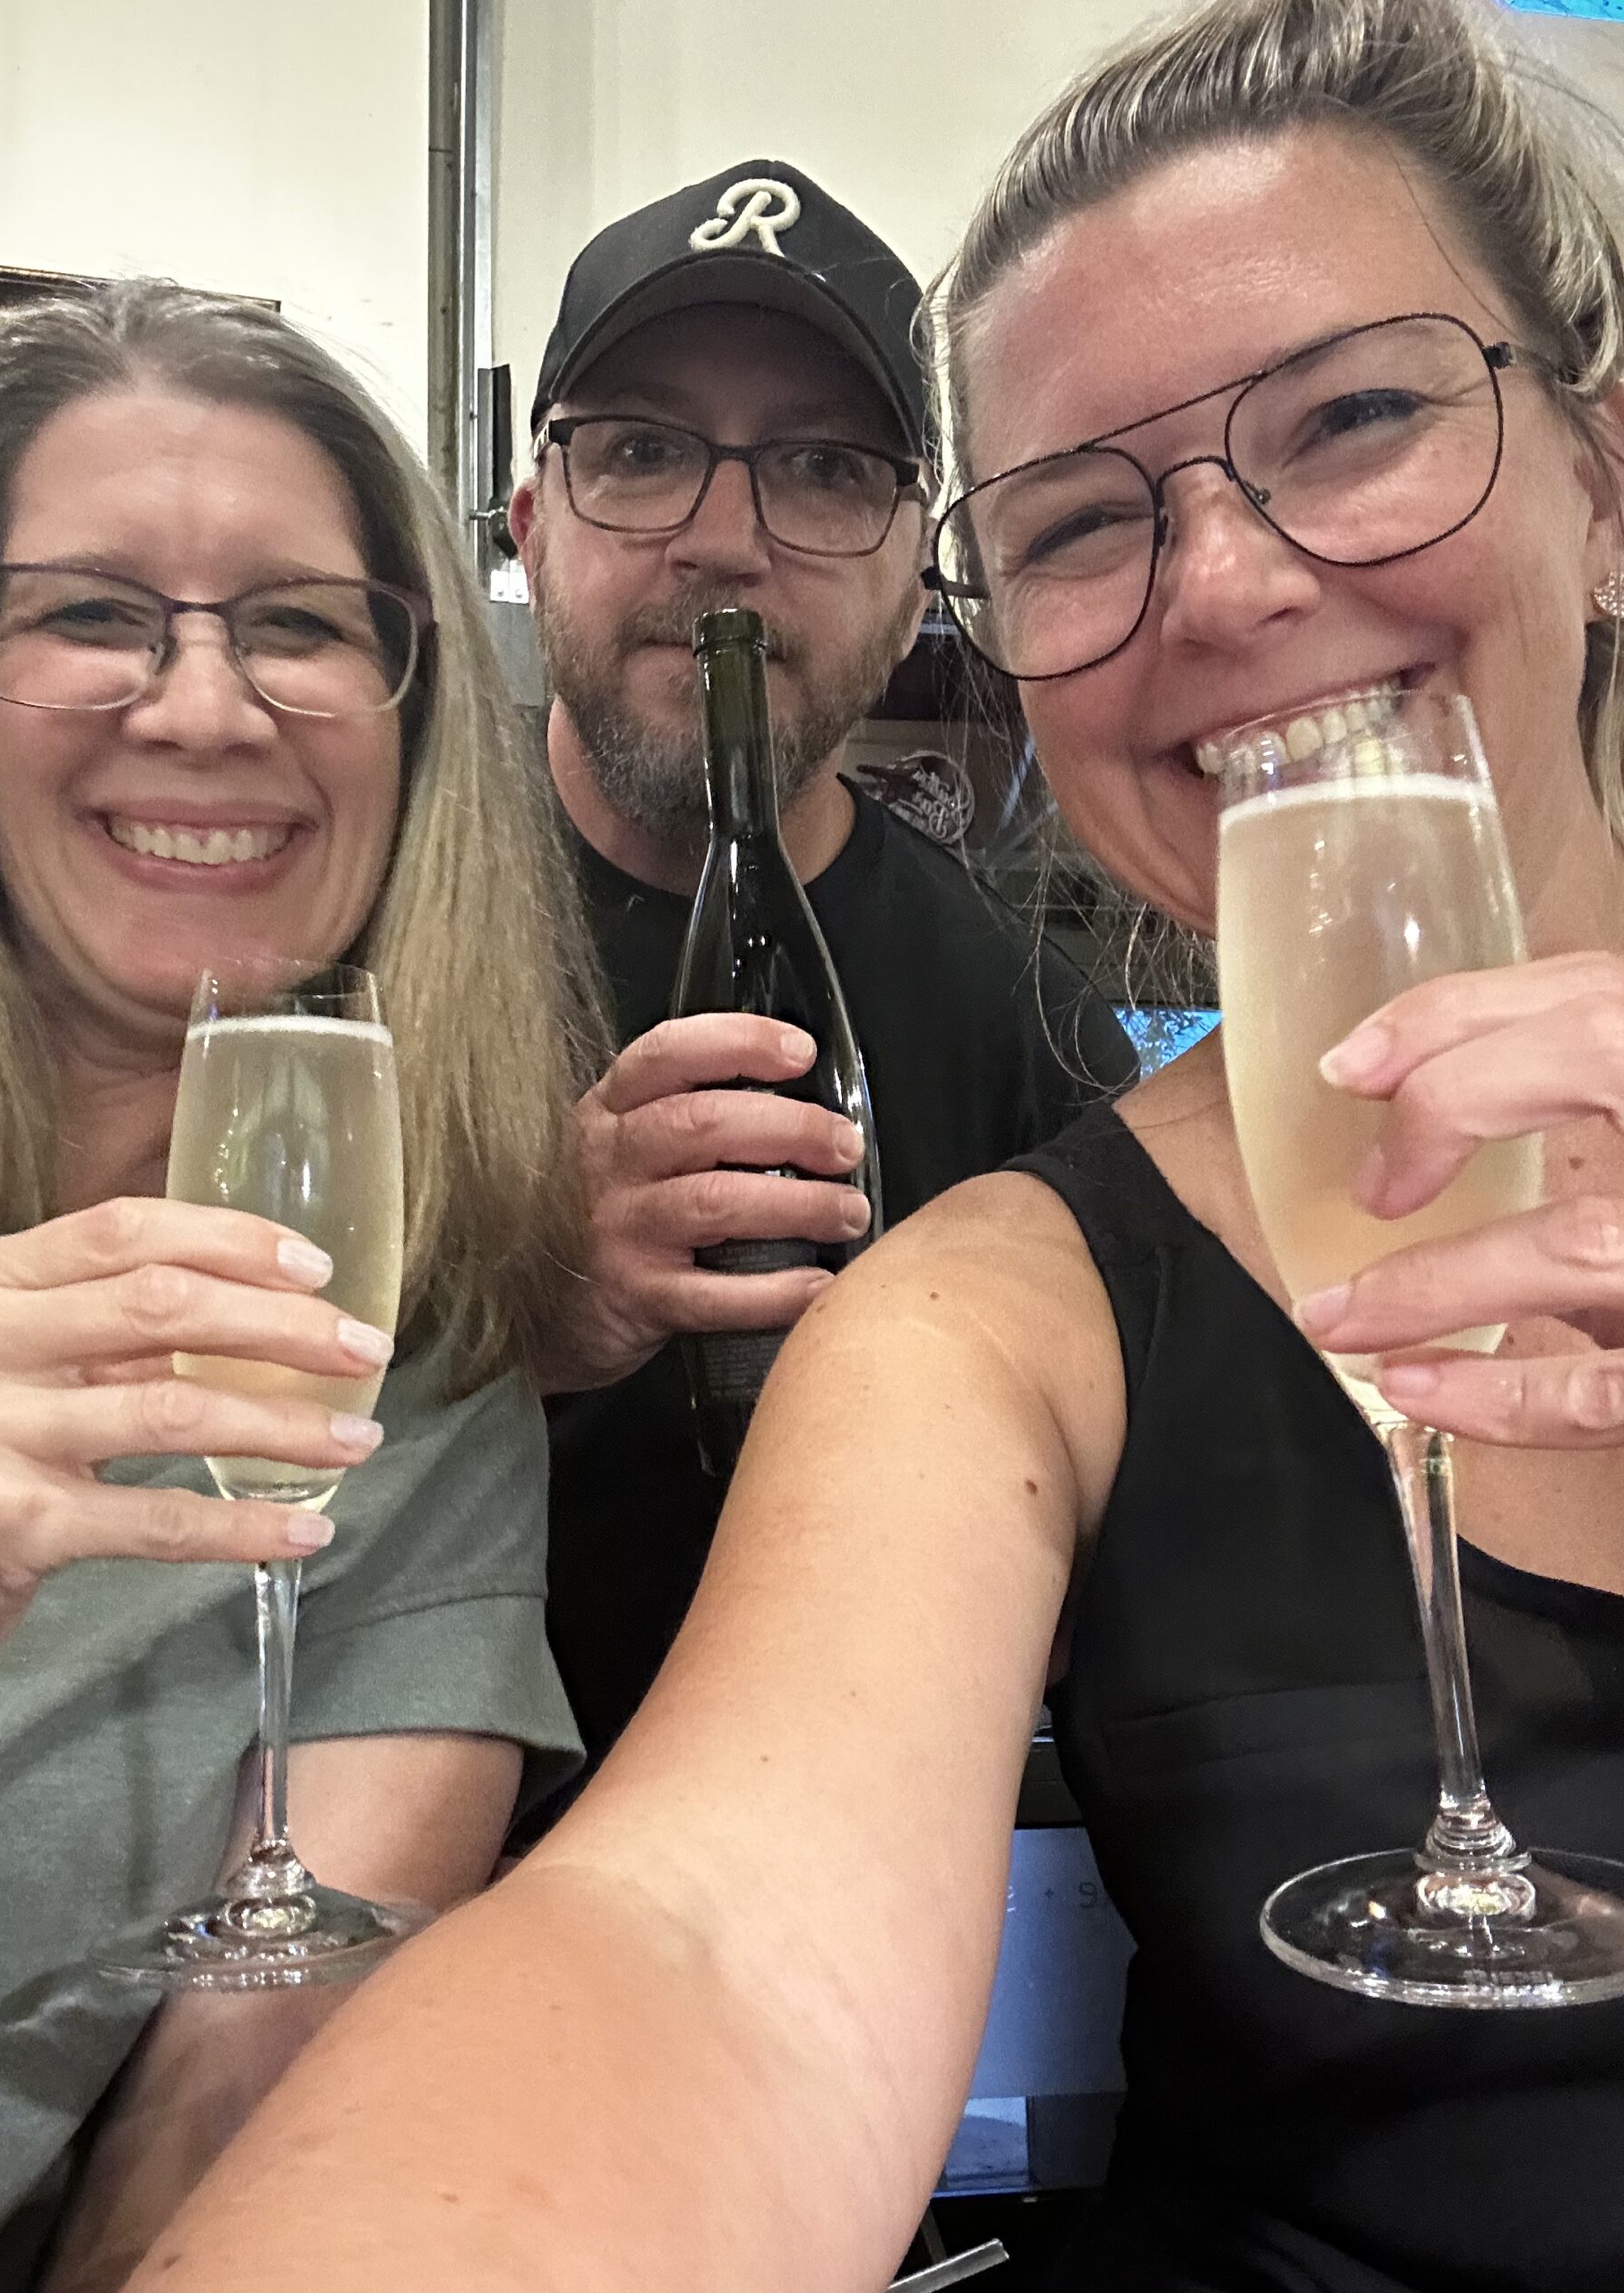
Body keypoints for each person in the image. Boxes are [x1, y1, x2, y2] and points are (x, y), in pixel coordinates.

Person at [116, 0, 1624, 2287]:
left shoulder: (968, 972)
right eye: (1090, 514)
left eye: (1359, 415)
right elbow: (704, 1932)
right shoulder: (331, 909)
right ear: (526, 506)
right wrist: (542, 1325)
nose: (1220, 581)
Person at [0, 279, 605, 2293]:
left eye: (297, 623)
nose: (203, 707)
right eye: (92, 612)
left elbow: (257, 2072)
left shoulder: (422, 1346)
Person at [508, 160, 1136, 1809]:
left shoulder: (1010, 999)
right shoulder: (352, 924)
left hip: (846, 1868)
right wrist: (500, 1320)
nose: (727, 542)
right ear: (531, 522)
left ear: (918, 564)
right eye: (641, 451)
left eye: (826, 469)